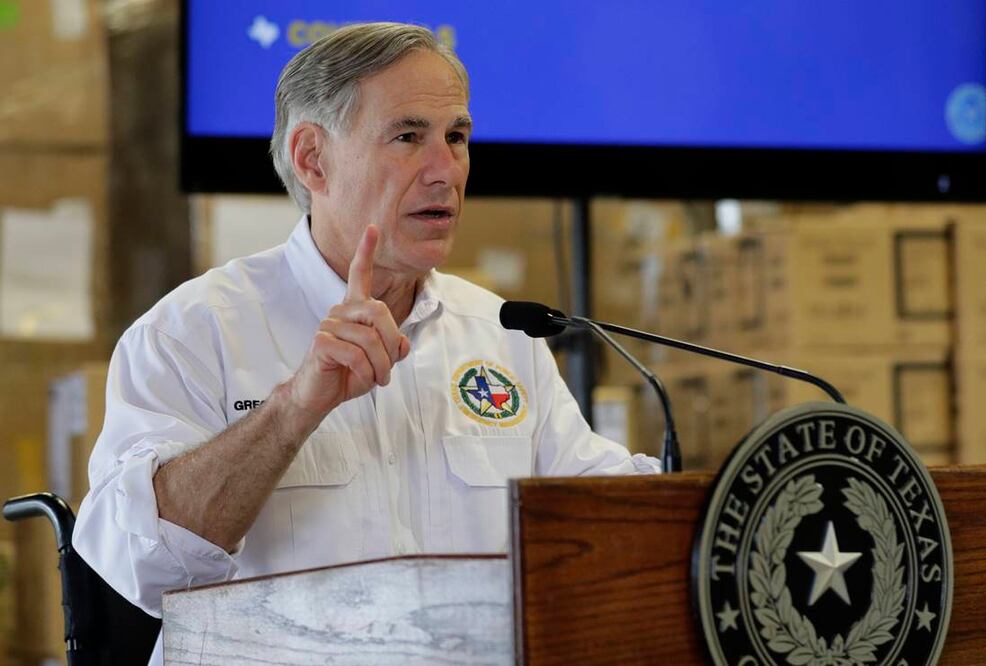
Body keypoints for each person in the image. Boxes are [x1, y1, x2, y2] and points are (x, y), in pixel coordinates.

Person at [72, 21, 658, 664]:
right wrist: (295, 407)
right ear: (312, 158)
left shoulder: (502, 332)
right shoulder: (193, 331)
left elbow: (604, 517)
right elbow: (142, 567)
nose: (446, 171)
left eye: (456, 137)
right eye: (408, 136)